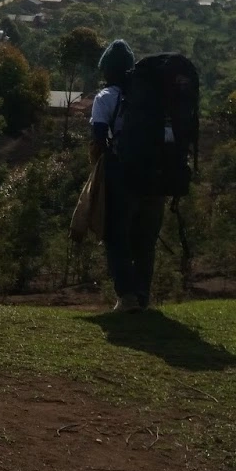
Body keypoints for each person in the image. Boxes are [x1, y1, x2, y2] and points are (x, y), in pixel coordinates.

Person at [91, 39, 167, 313]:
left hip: (123, 177)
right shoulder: (154, 97)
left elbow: (99, 138)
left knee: (116, 237)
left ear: (107, 70)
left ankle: (127, 297)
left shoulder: (106, 97)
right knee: (145, 242)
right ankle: (143, 297)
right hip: (158, 179)